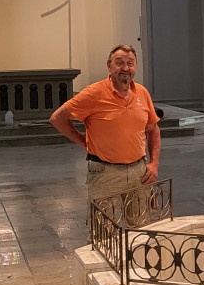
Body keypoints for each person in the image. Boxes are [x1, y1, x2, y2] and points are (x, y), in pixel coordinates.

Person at [50, 45, 160, 203]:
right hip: (105, 174)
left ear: (135, 67)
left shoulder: (142, 92)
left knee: (142, 219)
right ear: (109, 66)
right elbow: (57, 118)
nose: (126, 68)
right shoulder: (93, 93)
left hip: (139, 172)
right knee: (103, 219)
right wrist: (84, 142)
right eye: (119, 63)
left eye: (130, 63)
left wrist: (154, 163)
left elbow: (153, 129)